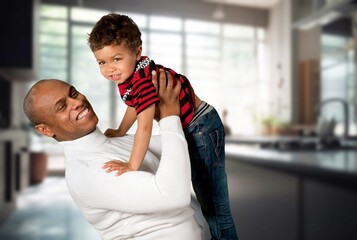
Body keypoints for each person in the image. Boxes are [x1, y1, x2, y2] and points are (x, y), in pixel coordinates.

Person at [88, 13, 238, 239]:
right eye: (102, 62)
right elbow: (135, 107)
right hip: (194, 125)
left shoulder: (143, 81)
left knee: (215, 206)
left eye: (116, 59)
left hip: (202, 126)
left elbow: (145, 127)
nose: (110, 69)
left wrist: (131, 164)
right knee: (206, 198)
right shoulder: (131, 76)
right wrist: (120, 131)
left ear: (137, 52)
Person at [23, 70, 202, 239]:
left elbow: (184, 143)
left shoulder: (112, 142)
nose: (76, 102)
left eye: (73, 93)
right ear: (45, 130)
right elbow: (172, 196)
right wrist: (169, 115)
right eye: (62, 106)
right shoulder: (87, 173)